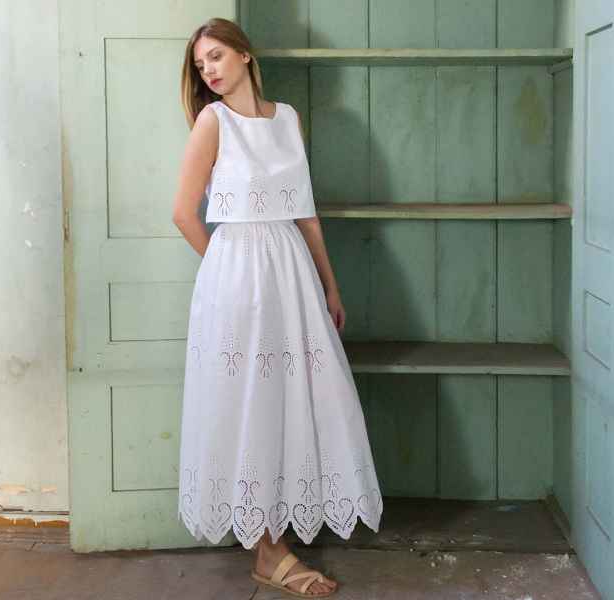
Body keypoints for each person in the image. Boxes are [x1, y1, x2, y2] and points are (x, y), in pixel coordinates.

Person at [171, 17, 384, 598]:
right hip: (238, 278)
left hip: (291, 272)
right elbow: (183, 213)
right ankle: (269, 551)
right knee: (250, 400)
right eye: (200, 66)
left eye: (216, 57)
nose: (209, 71)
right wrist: (226, 268)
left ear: (244, 55)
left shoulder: (287, 118)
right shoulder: (213, 123)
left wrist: (330, 286)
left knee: (293, 397)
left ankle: (275, 540)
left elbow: (305, 212)